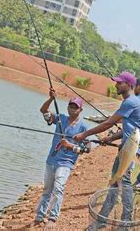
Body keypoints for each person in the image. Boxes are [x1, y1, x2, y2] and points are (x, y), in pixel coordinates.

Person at [74, 71, 140, 225]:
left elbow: (108, 123)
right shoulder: (131, 101)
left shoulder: (130, 102)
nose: (116, 85)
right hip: (127, 146)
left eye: (119, 83)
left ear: (128, 84)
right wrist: (111, 138)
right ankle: (102, 220)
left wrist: (84, 134)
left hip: (133, 148)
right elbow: (129, 128)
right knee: (115, 182)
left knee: (124, 181)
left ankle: (126, 223)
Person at [31, 89, 88, 228]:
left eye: (75, 107)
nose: (72, 109)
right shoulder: (60, 118)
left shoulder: (83, 127)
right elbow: (43, 110)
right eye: (70, 106)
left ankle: (53, 217)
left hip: (66, 163)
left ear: (80, 110)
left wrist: (70, 146)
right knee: (47, 189)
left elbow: (87, 149)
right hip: (51, 160)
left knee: (58, 188)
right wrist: (51, 98)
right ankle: (39, 216)